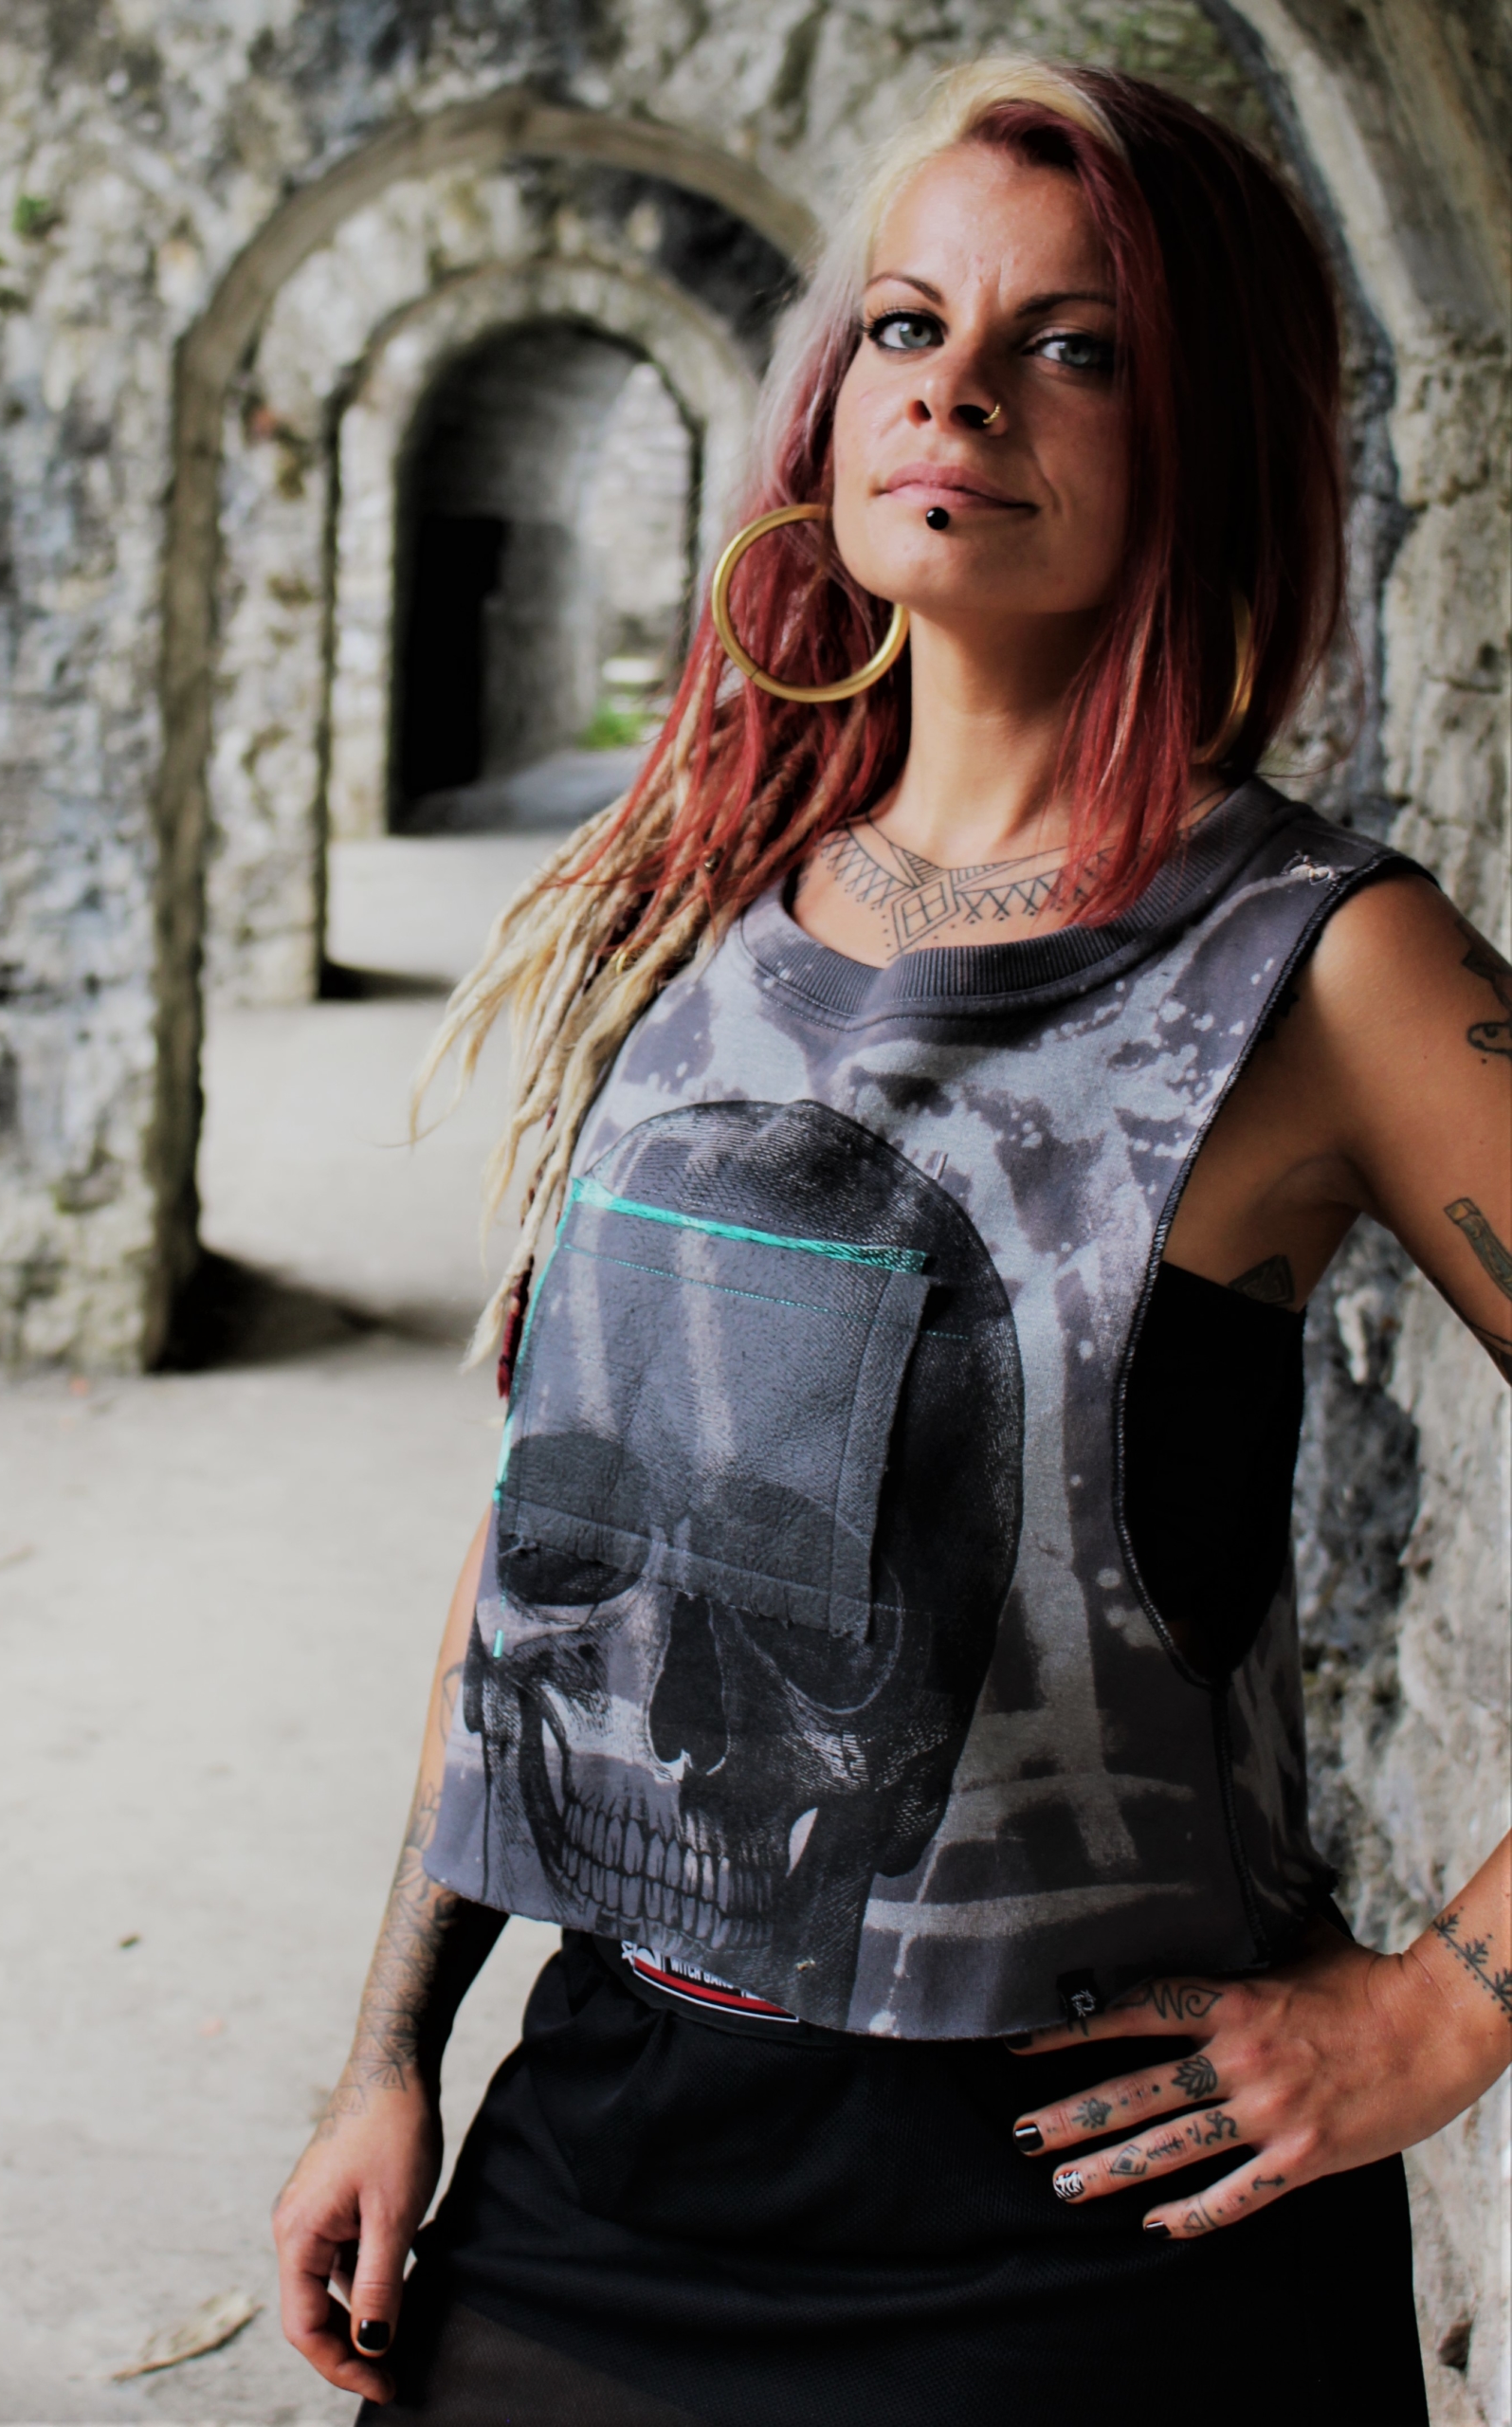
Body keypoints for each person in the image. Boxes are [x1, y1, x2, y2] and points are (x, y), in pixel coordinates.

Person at [273, 57, 1511, 2425]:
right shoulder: (712, 908)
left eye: (1075, 344)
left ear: (1204, 437)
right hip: (606, 2152)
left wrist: (1438, 2010)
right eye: (909, 324)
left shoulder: (1317, 964)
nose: (957, 389)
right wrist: (391, 2049)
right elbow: (550, 1540)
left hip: (1086, 2244)